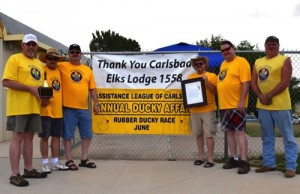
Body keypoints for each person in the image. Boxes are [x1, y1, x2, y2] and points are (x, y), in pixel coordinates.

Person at [2, 34, 47, 187]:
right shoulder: (15, 59)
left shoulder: (39, 64)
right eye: (28, 44)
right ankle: (14, 175)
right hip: (18, 107)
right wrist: (30, 89)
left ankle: (28, 169)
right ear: (22, 45)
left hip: (34, 107)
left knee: (29, 138)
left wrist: (44, 98)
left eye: (34, 44)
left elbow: (39, 87)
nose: (31, 47)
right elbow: (6, 81)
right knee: (17, 138)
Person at [251, 36, 298, 178]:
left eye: (274, 44)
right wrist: (260, 96)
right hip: (263, 105)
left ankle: (290, 167)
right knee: (267, 137)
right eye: (269, 44)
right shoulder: (258, 61)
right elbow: (254, 82)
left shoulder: (284, 59)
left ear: (278, 46)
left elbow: (285, 81)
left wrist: (269, 95)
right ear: (264, 46)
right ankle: (269, 164)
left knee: (288, 137)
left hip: (281, 105)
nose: (271, 47)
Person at [57, 44, 99, 170]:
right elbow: (49, 63)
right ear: (68, 54)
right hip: (68, 108)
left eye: (77, 52)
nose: (75, 54)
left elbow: (92, 88)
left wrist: (96, 103)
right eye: (72, 52)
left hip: (84, 108)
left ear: (80, 54)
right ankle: (69, 160)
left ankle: (84, 159)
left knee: (87, 135)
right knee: (68, 135)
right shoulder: (61, 66)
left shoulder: (87, 70)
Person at [217, 40, 251, 174]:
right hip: (224, 105)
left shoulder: (241, 62)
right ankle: (234, 158)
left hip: (237, 104)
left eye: (227, 49)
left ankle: (244, 161)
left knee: (239, 132)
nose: (225, 52)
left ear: (233, 48)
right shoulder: (223, 64)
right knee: (229, 132)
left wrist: (242, 101)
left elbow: (246, 83)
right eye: (223, 51)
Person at [38, 48, 69, 173]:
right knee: (44, 136)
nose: (52, 61)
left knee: (56, 136)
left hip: (58, 110)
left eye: (55, 59)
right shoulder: (41, 70)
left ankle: (55, 162)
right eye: (50, 58)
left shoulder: (59, 71)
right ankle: (45, 163)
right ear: (46, 59)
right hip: (45, 109)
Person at [188, 56, 218, 168]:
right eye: (196, 64)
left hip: (208, 109)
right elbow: (188, 93)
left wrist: (207, 82)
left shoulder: (212, 76)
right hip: (194, 110)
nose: (198, 66)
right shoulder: (190, 77)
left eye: (201, 63)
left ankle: (210, 159)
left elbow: (215, 92)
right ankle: (201, 157)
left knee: (209, 134)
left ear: (205, 64)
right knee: (198, 134)